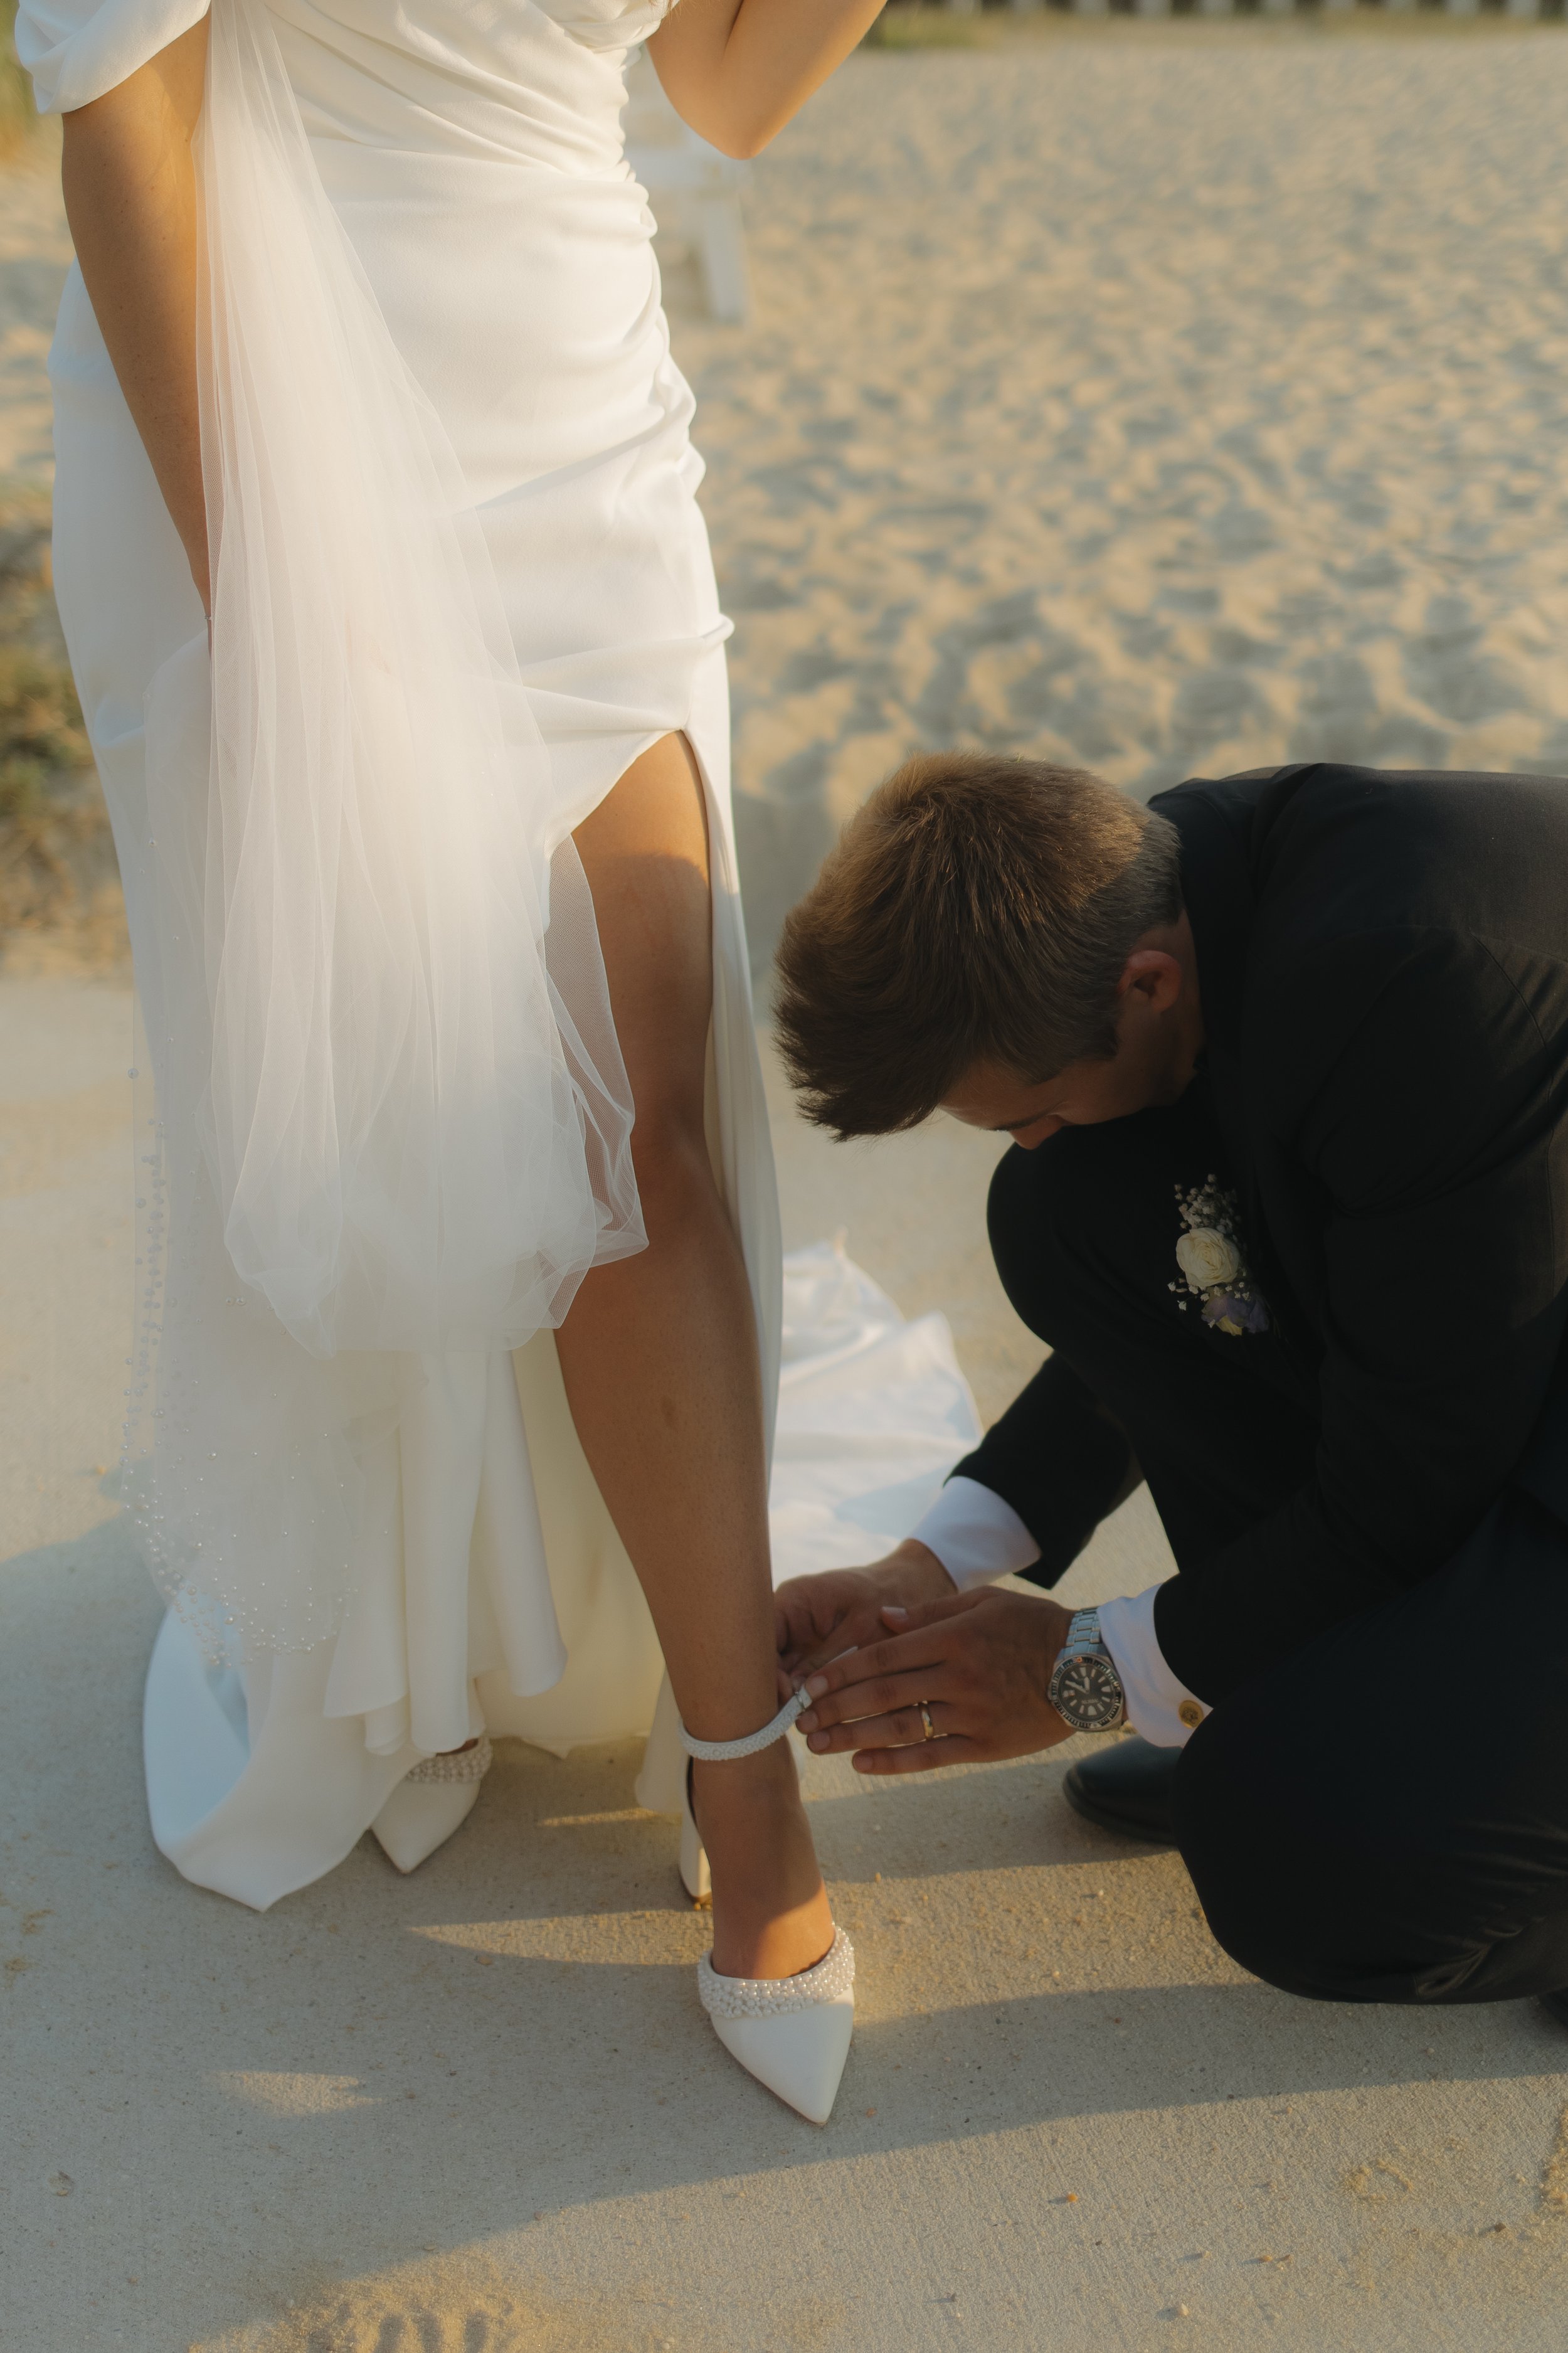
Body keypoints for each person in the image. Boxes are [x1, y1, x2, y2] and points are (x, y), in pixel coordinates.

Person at [18, 0, 890, 2124]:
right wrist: (293, 615)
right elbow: (120, 120)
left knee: (643, 1117)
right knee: (407, 1083)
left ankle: (738, 1775)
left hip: (576, 412)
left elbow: (723, 84)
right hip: (252, 426)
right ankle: (451, 1639)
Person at [771, 751, 1568, 2019]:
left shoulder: (1419, 981)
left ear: (1145, 983)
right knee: (1059, 1209)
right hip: (1465, 1330)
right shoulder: (1138, 894)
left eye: (1012, 1109)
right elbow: (1157, 1311)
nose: (1021, 1136)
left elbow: (1415, 1475)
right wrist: (925, 1564)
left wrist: (1083, 1668)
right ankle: (1262, 1698)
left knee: (1296, 1867)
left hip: (1506, 1386)